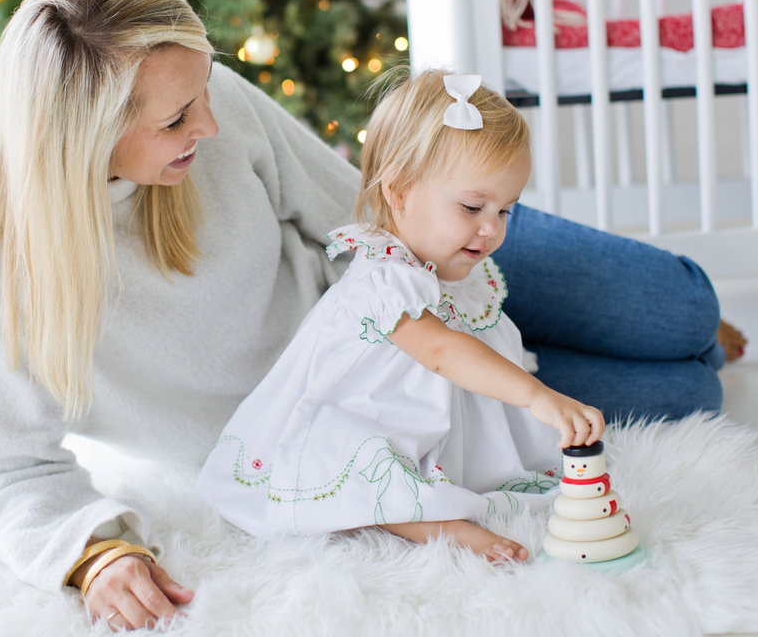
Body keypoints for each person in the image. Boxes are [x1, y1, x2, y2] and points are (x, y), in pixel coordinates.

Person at [0, 0, 729, 631]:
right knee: (689, 391)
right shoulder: (2, 281)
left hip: (410, 263)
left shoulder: (209, 107)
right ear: (87, 134)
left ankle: (666, 333)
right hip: (356, 415)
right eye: (178, 119)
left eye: (205, 86)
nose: (210, 123)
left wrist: (458, 299)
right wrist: (94, 554)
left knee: (682, 310)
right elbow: (1, 473)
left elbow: (350, 208)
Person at [196, 70, 605, 563]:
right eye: (473, 206)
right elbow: (442, 351)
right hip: (367, 416)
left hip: (433, 421)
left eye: (505, 211)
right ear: (399, 192)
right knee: (365, 465)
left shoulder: (460, 267)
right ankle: (430, 523)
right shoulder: (385, 278)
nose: (491, 230)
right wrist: (536, 395)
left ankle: (441, 493)